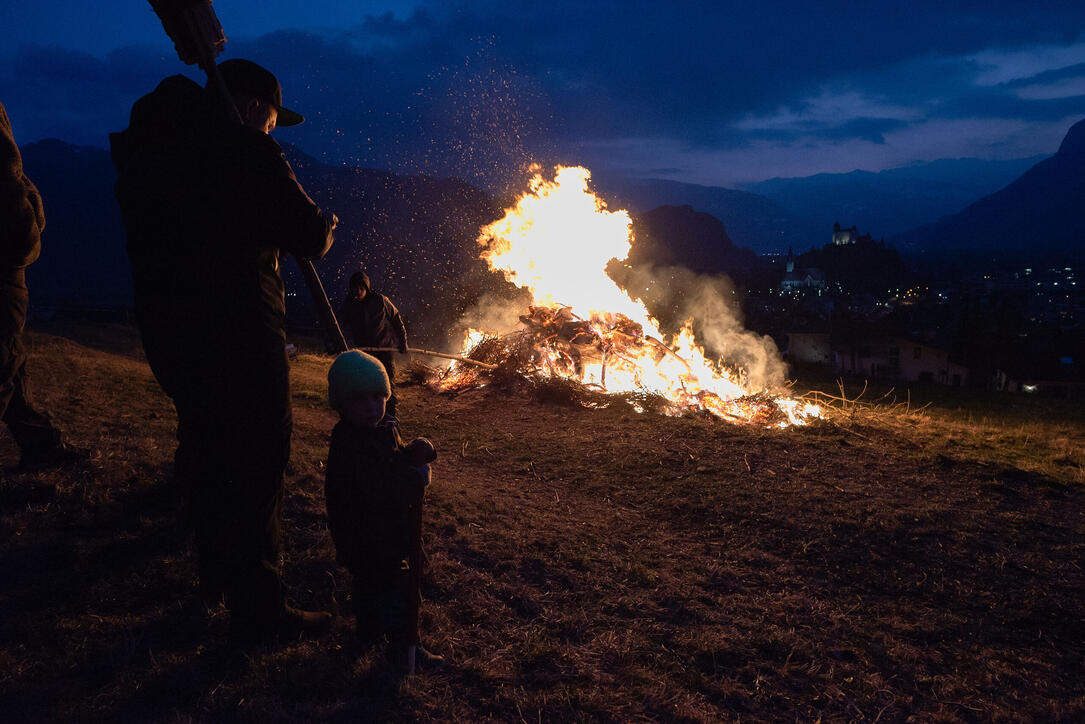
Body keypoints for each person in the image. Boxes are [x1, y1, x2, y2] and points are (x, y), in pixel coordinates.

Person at [110, 59, 336, 643]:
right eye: (270, 117)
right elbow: (308, 233)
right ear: (251, 105)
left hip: (171, 330)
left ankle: (216, 578)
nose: (273, 128)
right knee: (259, 460)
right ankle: (261, 610)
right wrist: (323, 223)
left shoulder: (154, 148)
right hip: (240, 330)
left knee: (209, 449)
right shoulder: (246, 151)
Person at [324, 350, 442, 669]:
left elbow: (393, 459)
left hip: (386, 533)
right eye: (360, 399)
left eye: (379, 397)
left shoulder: (383, 428)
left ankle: (370, 632)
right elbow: (376, 490)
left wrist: (412, 452)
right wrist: (413, 481)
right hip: (367, 537)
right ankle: (405, 649)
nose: (372, 406)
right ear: (342, 404)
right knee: (395, 592)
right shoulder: (349, 446)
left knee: (374, 589)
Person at [0, 101, 84, 471]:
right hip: (3, 263)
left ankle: (39, 441)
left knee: (9, 359)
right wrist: (25, 236)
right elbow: (6, 176)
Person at [338, 270, 408, 419]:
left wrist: (403, 341)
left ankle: (391, 421)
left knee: (387, 386)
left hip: (384, 350)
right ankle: (368, 420)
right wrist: (339, 343)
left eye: (361, 289)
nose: (357, 292)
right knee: (366, 387)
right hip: (363, 354)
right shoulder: (349, 304)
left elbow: (396, 318)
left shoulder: (380, 301)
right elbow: (339, 324)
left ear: (366, 289)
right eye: (354, 288)